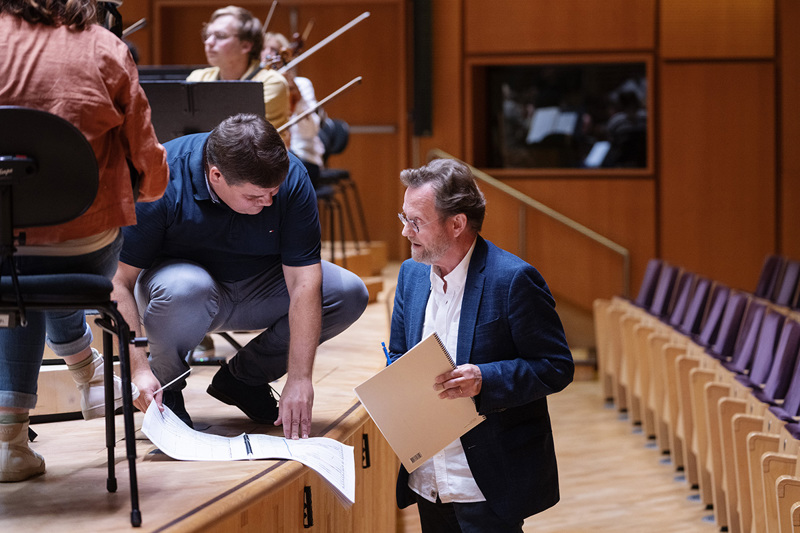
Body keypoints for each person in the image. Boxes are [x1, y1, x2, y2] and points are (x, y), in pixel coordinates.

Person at [111, 113, 369, 439]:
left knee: (348, 292)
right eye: (254, 197)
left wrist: (300, 378)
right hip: (183, 294)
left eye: (273, 192)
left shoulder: (292, 177)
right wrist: (138, 369)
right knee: (186, 287)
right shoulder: (162, 175)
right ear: (216, 175)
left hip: (260, 286)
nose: (268, 202)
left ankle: (244, 379)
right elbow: (118, 281)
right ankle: (167, 385)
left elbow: (304, 282)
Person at [0, 0, 169, 482]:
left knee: (16, 260)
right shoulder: (104, 48)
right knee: (42, 259)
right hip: (83, 245)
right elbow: (149, 169)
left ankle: (10, 443)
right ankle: (89, 373)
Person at [387, 158, 574, 531]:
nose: (406, 231)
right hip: (428, 479)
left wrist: (484, 379)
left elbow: (555, 366)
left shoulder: (513, 280)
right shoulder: (410, 275)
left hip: (486, 483)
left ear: (456, 224)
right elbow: (397, 353)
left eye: (416, 222)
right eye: (404, 218)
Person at [187, 6, 291, 143]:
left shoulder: (271, 82)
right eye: (207, 35)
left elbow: (241, 138)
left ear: (246, 45)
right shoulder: (198, 78)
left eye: (220, 36)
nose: (209, 42)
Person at [262, 31, 325, 188]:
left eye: (274, 50)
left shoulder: (301, 84)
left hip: (303, 157)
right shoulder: (255, 85)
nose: (269, 54)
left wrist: (295, 94)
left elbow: (310, 131)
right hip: (264, 157)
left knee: (280, 172)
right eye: (263, 49)